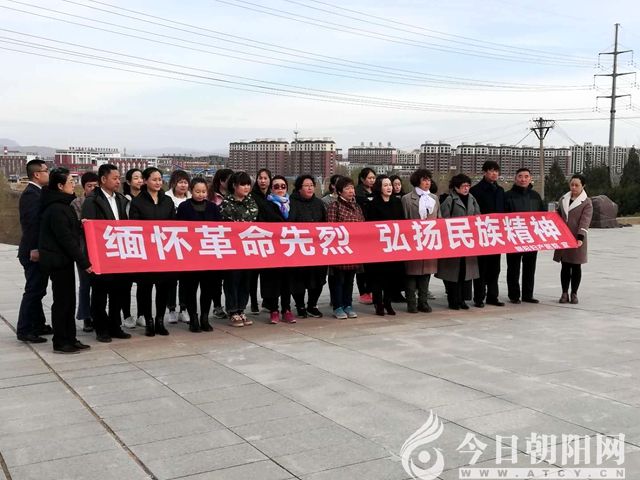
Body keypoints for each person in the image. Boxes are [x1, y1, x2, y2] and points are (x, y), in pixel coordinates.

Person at [39, 168, 92, 354]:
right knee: (62, 302)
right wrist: (84, 263)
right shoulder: (56, 208)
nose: (73, 184)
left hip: (65, 260)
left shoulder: (64, 204)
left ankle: (70, 338)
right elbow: (66, 239)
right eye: (70, 181)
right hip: (57, 261)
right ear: (60, 186)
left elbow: (70, 230)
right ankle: (61, 341)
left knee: (69, 300)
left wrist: (81, 224)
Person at [81, 164, 132, 343]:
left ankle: (115, 326)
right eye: (115, 178)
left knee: (118, 292)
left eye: (119, 178)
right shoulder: (92, 200)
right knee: (100, 294)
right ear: (103, 179)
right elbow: (88, 231)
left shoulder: (121, 199)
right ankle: (101, 328)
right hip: (101, 255)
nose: (118, 181)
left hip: (119, 253)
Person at [129, 167, 176, 336]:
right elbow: (134, 226)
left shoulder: (167, 201)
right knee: (145, 288)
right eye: (154, 179)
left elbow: (173, 225)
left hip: (163, 251)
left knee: (163, 288)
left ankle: (159, 320)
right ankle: (148, 321)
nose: (158, 182)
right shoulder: (137, 202)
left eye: (160, 179)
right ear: (146, 181)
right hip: (146, 252)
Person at [176, 177, 220, 332]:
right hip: (190, 255)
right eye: (197, 191)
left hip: (208, 254)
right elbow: (179, 229)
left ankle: (204, 317)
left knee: (208, 289)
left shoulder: (213, 207)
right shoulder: (184, 207)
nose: (201, 194)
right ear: (191, 191)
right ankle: (193, 318)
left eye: (203, 191)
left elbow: (219, 229)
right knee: (190, 289)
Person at [17, 159, 51, 343]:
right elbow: (31, 225)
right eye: (46, 170)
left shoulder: (39, 192)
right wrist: (34, 248)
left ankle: (38, 324)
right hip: (32, 252)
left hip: (37, 250)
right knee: (33, 290)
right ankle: (25, 329)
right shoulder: (31, 194)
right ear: (37, 174)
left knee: (39, 289)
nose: (48, 173)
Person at [220, 171, 259, 327]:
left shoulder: (252, 202)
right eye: (242, 184)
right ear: (234, 186)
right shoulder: (226, 203)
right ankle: (232, 310)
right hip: (232, 248)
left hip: (248, 248)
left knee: (246, 280)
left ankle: (241, 309)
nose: (246, 187)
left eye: (248, 184)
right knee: (232, 280)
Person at [436, 174, 481, 310]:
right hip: (454, 242)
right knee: (453, 273)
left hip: (468, 241)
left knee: (465, 273)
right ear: (456, 187)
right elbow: (443, 220)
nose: (466, 188)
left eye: (468, 186)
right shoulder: (450, 200)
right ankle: (453, 300)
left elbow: (478, 217)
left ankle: (463, 300)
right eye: (463, 186)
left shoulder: (472, 199)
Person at [364, 175, 405, 316]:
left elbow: (402, 222)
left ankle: (388, 302)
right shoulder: (373, 204)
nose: (389, 188)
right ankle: (378, 303)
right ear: (379, 188)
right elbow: (370, 225)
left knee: (391, 277)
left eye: (390, 185)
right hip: (378, 247)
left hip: (393, 246)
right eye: (385, 185)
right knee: (378, 277)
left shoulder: (397, 202)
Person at [504, 168, 546, 304]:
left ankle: (528, 294)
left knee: (530, 268)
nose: (523, 179)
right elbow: (502, 217)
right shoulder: (508, 196)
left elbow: (543, 216)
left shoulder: (535, 196)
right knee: (513, 268)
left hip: (531, 238)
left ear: (530, 178)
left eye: (526, 176)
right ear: (515, 178)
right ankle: (514, 295)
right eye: (520, 176)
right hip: (514, 237)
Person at [289, 175, 327, 318]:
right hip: (298, 248)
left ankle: (312, 304)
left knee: (317, 278)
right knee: (298, 279)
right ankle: (300, 305)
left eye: (311, 185)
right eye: (306, 185)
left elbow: (325, 223)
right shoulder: (292, 202)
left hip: (317, 248)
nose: (310, 188)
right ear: (299, 188)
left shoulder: (319, 203)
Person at [402, 169, 440, 313]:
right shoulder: (407, 199)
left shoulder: (434, 198)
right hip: (413, 240)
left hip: (429, 240)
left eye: (429, 180)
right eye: (424, 180)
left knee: (426, 273)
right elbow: (404, 221)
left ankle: (423, 302)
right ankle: (411, 302)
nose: (427, 183)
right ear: (417, 181)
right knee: (412, 272)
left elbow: (439, 219)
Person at [327, 176, 365, 319]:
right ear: (339, 191)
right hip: (340, 249)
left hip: (354, 248)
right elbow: (331, 228)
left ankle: (348, 305)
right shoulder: (334, 206)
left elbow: (363, 225)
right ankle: (337, 306)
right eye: (347, 188)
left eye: (352, 188)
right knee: (338, 280)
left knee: (350, 280)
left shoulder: (357, 206)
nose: (351, 191)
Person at [470, 161, 506, 308]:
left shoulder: (500, 190)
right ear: (484, 172)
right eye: (491, 171)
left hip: (496, 234)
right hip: (481, 233)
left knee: (495, 268)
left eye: (496, 171)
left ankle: (493, 296)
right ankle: (479, 297)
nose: (494, 174)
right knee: (481, 267)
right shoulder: (475, 190)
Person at [260, 176, 295, 324]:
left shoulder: (292, 204)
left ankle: (286, 309)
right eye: (276, 186)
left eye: (283, 186)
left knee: (287, 280)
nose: (280, 189)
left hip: (289, 248)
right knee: (272, 281)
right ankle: (273, 310)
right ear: (271, 189)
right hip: (273, 249)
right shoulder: (265, 205)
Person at [554, 174, 593, 305]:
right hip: (564, 237)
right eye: (572, 185)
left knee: (576, 266)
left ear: (583, 186)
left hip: (577, 238)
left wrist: (580, 237)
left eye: (577, 185)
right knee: (565, 266)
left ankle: (574, 293)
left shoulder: (586, 202)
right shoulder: (563, 199)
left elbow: (585, 221)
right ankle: (564, 293)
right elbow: (558, 215)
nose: (574, 187)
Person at [70, 171, 99, 333]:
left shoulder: (102, 201)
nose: (93, 189)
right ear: (83, 187)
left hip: (101, 248)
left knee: (100, 285)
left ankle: (98, 314)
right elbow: (74, 226)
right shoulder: (77, 203)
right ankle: (86, 316)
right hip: (83, 248)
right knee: (85, 284)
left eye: (95, 186)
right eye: (89, 186)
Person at [165, 170, 191, 325]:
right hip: (171, 244)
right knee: (171, 280)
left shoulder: (191, 199)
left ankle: (184, 308)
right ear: (173, 183)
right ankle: (171, 309)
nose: (183, 185)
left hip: (187, 245)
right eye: (180, 182)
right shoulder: (166, 199)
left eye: (185, 182)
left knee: (186, 280)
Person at [207, 168, 233, 320]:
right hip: (216, 240)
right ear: (221, 181)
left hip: (232, 241)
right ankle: (217, 305)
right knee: (216, 278)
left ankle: (232, 305)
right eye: (229, 179)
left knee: (230, 277)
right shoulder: (211, 197)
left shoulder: (234, 195)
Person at [249, 168, 273, 314]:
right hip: (254, 238)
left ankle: (267, 300)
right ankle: (253, 301)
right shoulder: (251, 196)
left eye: (265, 178)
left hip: (269, 240)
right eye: (260, 178)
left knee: (268, 274)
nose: (263, 181)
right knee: (253, 274)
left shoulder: (273, 196)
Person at [122, 168, 143, 328]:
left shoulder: (146, 199)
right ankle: (127, 315)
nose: (139, 180)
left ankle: (142, 313)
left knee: (143, 283)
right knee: (126, 283)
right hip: (127, 243)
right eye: (135, 178)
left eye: (141, 177)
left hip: (143, 245)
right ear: (128, 182)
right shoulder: (122, 200)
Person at [355, 167, 376, 305]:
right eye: (369, 178)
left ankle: (371, 290)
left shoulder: (376, 192)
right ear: (362, 179)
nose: (372, 180)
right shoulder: (357, 193)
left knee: (372, 265)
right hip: (362, 233)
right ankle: (363, 292)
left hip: (374, 234)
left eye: (373, 178)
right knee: (361, 266)